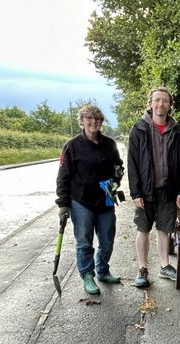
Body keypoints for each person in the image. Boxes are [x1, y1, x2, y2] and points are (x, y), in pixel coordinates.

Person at [56, 105, 124, 295]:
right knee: (84, 241)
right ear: (82, 121)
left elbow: (118, 166)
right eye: (89, 118)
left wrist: (116, 180)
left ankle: (103, 270)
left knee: (107, 239)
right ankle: (87, 275)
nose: (94, 122)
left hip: (105, 200)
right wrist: (63, 204)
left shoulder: (109, 144)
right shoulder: (72, 146)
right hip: (81, 201)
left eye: (98, 119)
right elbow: (63, 176)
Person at [128, 87, 180, 288]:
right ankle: (142, 269)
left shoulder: (177, 132)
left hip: (167, 190)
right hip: (145, 191)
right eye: (157, 100)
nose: (161, 104)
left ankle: (164, 266)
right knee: (143, 229)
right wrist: (135, 192)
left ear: (170, 105)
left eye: (165, 101)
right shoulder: (139, 129)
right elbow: (133, 163)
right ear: (150, 103)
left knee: (164, 230)